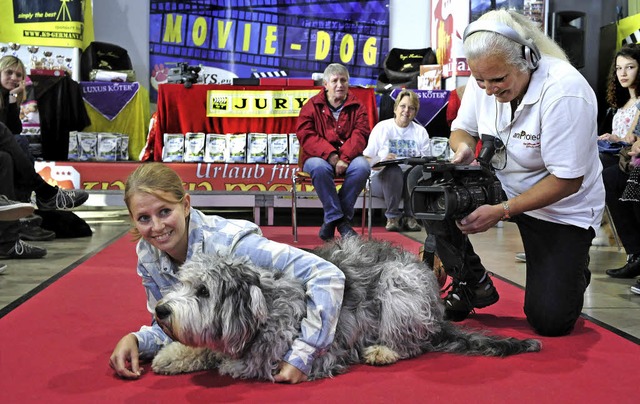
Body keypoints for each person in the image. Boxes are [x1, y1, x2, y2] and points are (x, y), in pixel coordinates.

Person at [416, 10, 605, 337]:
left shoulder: (565, 91)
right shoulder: (486, 76)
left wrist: (502, 211)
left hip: (559, 208)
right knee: (426, 189)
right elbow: (462, 129)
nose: (488, 90)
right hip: (500, 186)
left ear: (528, 60)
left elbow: (568, 180)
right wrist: (461, 149)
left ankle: (571, 268)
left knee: (550, 320)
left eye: (498, 80)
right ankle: (473, 282)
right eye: (480, 81)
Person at [109, 163, 346, 384]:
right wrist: (139, 341)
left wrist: (303, 354)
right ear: (132, 219)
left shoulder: (235, 245)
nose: (157, 227)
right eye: (144, 218)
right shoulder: (148, 253)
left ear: (186, 204)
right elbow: (172, 322)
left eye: (164, 212)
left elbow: (327, 274)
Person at [296, 63, 371, 241]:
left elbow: (361, 134)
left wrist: (344, 158)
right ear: (325, 84)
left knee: (362, 167)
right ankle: (342, 223)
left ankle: (331, 220)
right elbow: (305, 135)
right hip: (317, 157)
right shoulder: (311, 106)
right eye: (335, 80)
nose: (339, 84)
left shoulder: (358, 106)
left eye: (343, 80)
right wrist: (330, 155)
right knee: (319, 168)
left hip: (349, 157)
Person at [363, 89, 430, 232]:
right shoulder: (382, 128)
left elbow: (426, 163)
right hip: (382, 180)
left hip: (409, 182)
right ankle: (392, 217)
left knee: (416, 171)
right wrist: (381, 160)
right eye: (403, 106)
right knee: (393, 169)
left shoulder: (420, 132)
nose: (406, 111)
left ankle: (410, 217)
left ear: (415, 112)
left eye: (411, 108)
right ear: (395, 109)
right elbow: (366, 158)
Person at [600, 45, 640, 281]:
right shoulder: (622, 104)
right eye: (619, 69)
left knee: (606, 174)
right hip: (624, 159)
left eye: (630, 67)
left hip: (629, 161)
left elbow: (632, 139)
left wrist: (620, 140)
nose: (623, 74)